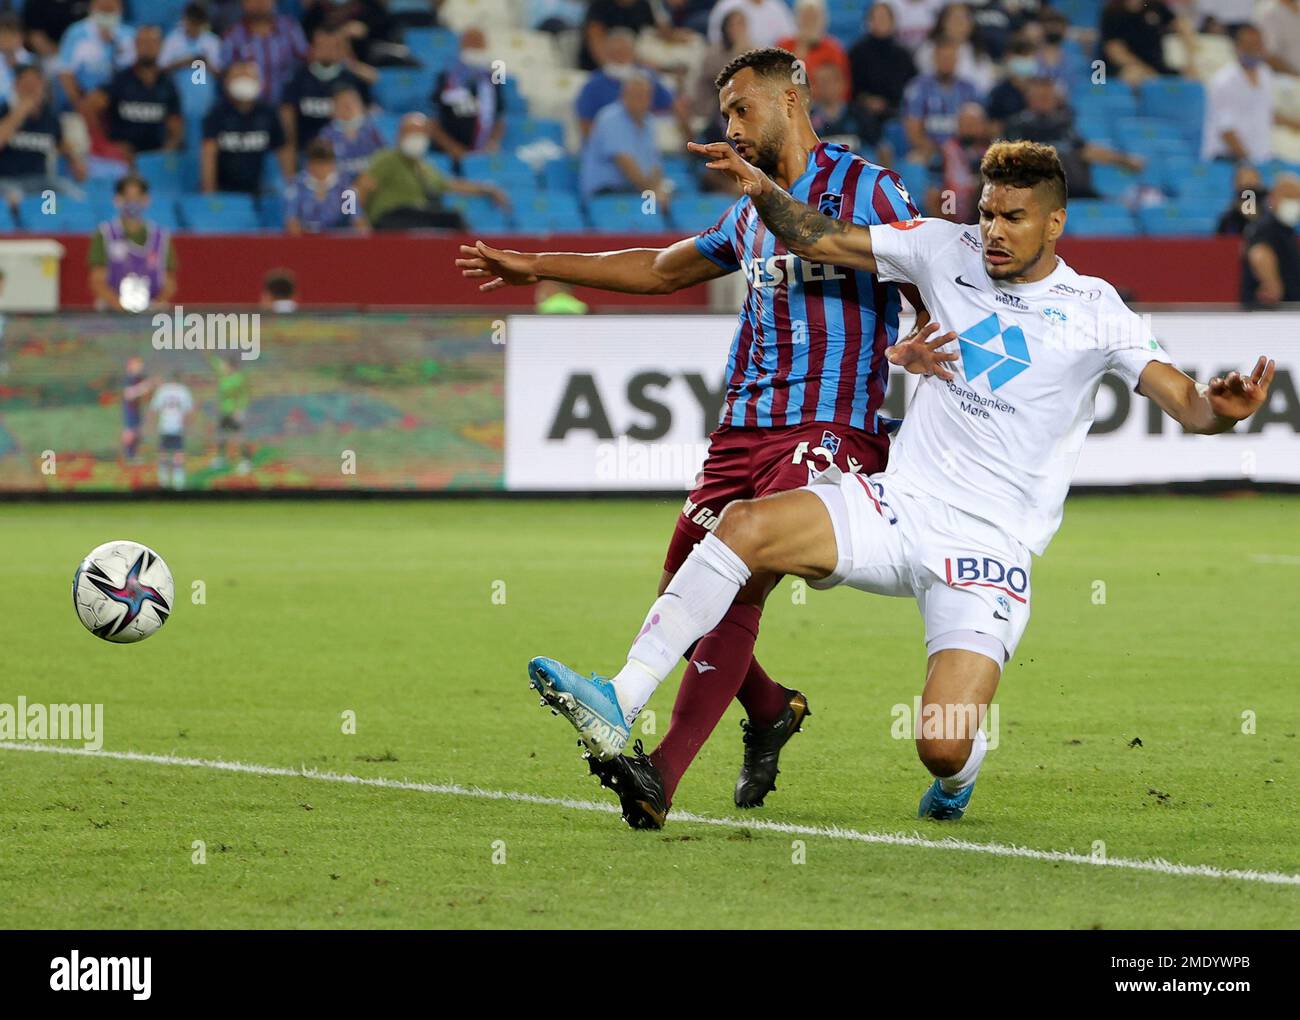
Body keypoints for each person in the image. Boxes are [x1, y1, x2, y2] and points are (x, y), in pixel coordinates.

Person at [525, 135, 1276, 827]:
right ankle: (620, 698)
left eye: (1015, 217)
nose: (994, 232)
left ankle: (957, 779)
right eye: (986, 213)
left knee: (942, 744)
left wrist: (1223, 411)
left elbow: (1186, 402)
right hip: (898, 505)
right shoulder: (939, 247)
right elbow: (819, 236)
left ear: (1054, 224)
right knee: (744, 527)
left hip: (988, 551)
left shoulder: (1097, 311)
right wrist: (762, 190)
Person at [459, 47, 927, 828]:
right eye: (725, 117)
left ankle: (660, 776)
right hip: (741, 429)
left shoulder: (867, 189)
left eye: (743, 109)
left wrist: (928, 350)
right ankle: (771, 708)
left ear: (792, 98)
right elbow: (660, 268)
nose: (732, 128)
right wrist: (537, 267)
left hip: (828, 425)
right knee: (688, 586)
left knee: (740, 573)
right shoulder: (748, 211)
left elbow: (927, 277)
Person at [353, 112, 507, 230]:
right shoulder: (387, 159)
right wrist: (360, 223)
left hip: (419, 215)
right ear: (400, 135)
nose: (416, 138)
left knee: (454, 219)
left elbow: (450, 185)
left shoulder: (424, 166)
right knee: (450, 219)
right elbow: (360, 189)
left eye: (421, 133)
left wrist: (487, 189)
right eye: (411, 132)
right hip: (390, 216)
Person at [1005, 76, 1143, 198]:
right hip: (1036, 195)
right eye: (1041, 97)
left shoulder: (1063, 123)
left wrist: (1124, 160)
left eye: (1049, 97)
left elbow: (1085, 150)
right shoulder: (1017, 125)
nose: (1046, 101)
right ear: (1030, 99)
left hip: (1075, 191)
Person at [1202, 24, 1300, 165]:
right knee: (1250, 187)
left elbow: (1267, 112)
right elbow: (1226, 129)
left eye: (1257, 44)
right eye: (1249, 45)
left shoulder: (1265, 74)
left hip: (1262, 156)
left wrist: (1295, 124)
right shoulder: (1223, 81)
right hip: (1229, 159)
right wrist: (1246, 160)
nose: (1254, 49)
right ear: (1237, 47)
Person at [88, 174, 178, 312]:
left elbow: (169, 282)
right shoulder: (105, 234)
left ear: (146, 200)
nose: (132, 202)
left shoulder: (161, 237)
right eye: (128, 198)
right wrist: (120, 307)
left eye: (137, 198)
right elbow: (97, 279)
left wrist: (152, 306)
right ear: (117, 200)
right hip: (112, 310)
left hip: (152, 310)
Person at [92, 24, 183, 159]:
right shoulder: (120, 80)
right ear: (135, 45)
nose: (148, 47)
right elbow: (89, 107)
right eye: (143, 42)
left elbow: (176, 126)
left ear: (161, 46)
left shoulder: (168, 85)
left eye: (152, 42)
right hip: (121, 159)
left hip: (153, 159)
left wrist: (166, 152)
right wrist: (106, 145)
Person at [201, 61, 293, 194]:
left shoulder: (268, 113)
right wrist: (210, 195)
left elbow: (284, 151)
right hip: (224, 192)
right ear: (227, 83)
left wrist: (290, 188)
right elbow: (209, 154)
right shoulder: (216, 114)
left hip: (257, 191)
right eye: (239, 77)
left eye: (249, 76)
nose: (244, 81)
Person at [280, 26, 374, 155]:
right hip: (307, 153)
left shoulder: (351, 78)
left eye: (333, 46)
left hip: (346, 154)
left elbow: (364, 119)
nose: (328, 50)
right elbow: (287, 123)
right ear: (312, 48)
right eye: (322, 45)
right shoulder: (298, 79)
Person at [579, 73, 669, 203]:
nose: (640, 100)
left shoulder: (649, 121)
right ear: (623, 96)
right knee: (649, 209)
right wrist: (653, 194)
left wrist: (659, 190)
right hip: (606, 193)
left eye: (645, 95)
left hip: (635, 192)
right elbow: (626, 164)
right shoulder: (610, 118)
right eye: (635, 95)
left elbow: (655, 166)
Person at [0, 65, 87, 197]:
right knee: (14, 198)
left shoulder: (49, 116)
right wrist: (19, 113)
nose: (32, 88)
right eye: (27, 84)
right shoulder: (4, 111)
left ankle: (54, 216)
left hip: (40, 180)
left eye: (36, 83)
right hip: (7, 179)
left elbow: (61, 142)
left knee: (74, 195)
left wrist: (75, 162)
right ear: (16, 85)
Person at [575, 28, 676, 138]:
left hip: (646, 137)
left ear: (633, 53)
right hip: (611, 140)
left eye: (624, 51)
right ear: (606, 54)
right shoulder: (593, 85)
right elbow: (585, 124)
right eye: (615, 53)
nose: (620, 57)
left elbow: (670, 104)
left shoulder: (648, 77)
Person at [429, 28, 506, 163]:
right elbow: (432, 120)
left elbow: (499, 117)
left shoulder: (494, 79)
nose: (475, 48)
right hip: (448, 153)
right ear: (461, 46)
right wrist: (454, 149)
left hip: (482, 155)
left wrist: (492, 143)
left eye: (478, 44)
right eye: (471, 44)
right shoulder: (447, 77)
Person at [901, 37, 981, 166]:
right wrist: (940, 151)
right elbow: (913, 130)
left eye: (950, 58)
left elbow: (978, 128)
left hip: (963, 151)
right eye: (942, 58)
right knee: (914, 161)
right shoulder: (919, 87)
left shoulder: (969, 88)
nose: (946, 62)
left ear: (956, 60)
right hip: (929, 150)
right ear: (934, 59)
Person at [56, 0, 136, 117]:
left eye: (110, 10)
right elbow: (65, 73)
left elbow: (136, 72)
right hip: (83, 101)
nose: (106, 14)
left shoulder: (130, 35)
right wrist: (80, 104)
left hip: (121, 104)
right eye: (103, 9)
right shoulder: (76, 33)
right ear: (92, 7)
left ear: (120, 10)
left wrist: (114, 43)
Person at [220, 0, 308, 104]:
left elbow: (307, 60)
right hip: (248, 108)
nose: (259, 3)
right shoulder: (233, 35)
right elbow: (225, 75)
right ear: (243, 3)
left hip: (286, 106)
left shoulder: (289, 28)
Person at [848, 2, 917, 125]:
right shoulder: (857, 52)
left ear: (893, 22)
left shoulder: (904, 54)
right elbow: (850, 87)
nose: (880, 22)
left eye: (884, 18)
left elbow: (912, 87)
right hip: (863, 112)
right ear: (869, 22)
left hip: (896, 112)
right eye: (876, 18)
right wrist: (866, 100)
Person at [1242, 172, 1300, 307]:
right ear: (1272, 199)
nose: (1294, 203)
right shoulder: (1266, 226)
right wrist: (1271, 283)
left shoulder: (1286, 229)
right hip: (1268, 314)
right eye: (1289, 197)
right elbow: (1259, 252)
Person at [284, 138, 364, 233]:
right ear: (309, 164)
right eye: (317, 163)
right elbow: (291, 221)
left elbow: (357, 220)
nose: (321, 169)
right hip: (305, 240)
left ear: (333, 164)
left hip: (337, 241)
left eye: (326, 163)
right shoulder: (296, 187)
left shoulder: (345, 188)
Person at [776, 0, 851, 91]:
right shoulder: (784, 46)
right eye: (805, 17)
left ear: (822, 19)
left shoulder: (833, 49)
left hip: (823, 101)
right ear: (797, 18)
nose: (809, 22)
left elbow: (842, 86)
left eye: (814, 17)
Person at [317, 83, 383, 183]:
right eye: (342, 103)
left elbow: (385, 161)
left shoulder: (374, 130)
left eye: (352, 102)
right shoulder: (325, 136)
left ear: (362, 106)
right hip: (340, 190)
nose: (348, 107)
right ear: (333, 109)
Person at [150, 370, 194, 490]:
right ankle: (178, 483)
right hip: (177, 427)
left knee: (163, 453)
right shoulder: (183, 391)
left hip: (164, 426)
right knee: (178, 454)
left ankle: (163, 481)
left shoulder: (162, 390)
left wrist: (152, 425)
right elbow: (189, 411)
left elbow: (154, 409)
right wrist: (188, 426)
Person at [161, 2, 224, 75]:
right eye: (191, 22)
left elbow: (220, 73)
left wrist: (205, 62)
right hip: (176, 84)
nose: (193, 27)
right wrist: (186, 61)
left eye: (196, 23)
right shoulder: (173, 39)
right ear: (185, 20)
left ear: (201, 23)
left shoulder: (212, 41)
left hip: (205, 83)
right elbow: (162, 68)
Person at [707, 0, 796, 49]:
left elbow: (789, 36)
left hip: (768, 62)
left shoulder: (777, 7)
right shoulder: (727, 5)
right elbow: (715, 37)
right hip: (729, 56)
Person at [0, 13, 36, 105]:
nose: (7, 39)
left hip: (27, 107)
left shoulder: (32, 61)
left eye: (12, 34)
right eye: (3, 34)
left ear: (21, 37)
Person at [121, 355, 152, 463]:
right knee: (130, 432)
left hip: (137, 408)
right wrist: (144, 387)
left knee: (137, 432)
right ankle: (127, 456)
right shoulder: (129, 378)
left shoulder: (138, 378)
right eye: (137, 365)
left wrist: (148, 388)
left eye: (140, 365)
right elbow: (128, 394)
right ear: (130, 366)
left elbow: (144, 394)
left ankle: (133, 455)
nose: (140, 367)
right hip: (129, 409)